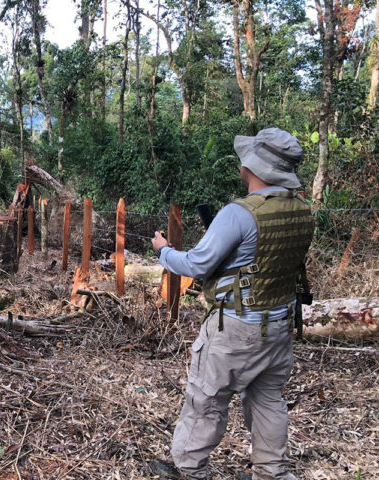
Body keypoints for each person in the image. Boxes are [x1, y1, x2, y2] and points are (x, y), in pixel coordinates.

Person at [149, 128, 314, 480]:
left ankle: (189, 471)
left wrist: (163, 250)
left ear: (250, 166)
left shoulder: (239, 214)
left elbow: (195, 264)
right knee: (268, 398)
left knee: (206, 398)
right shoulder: (302, 210)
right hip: (281, 324)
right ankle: (272, 473)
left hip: (236, 326)